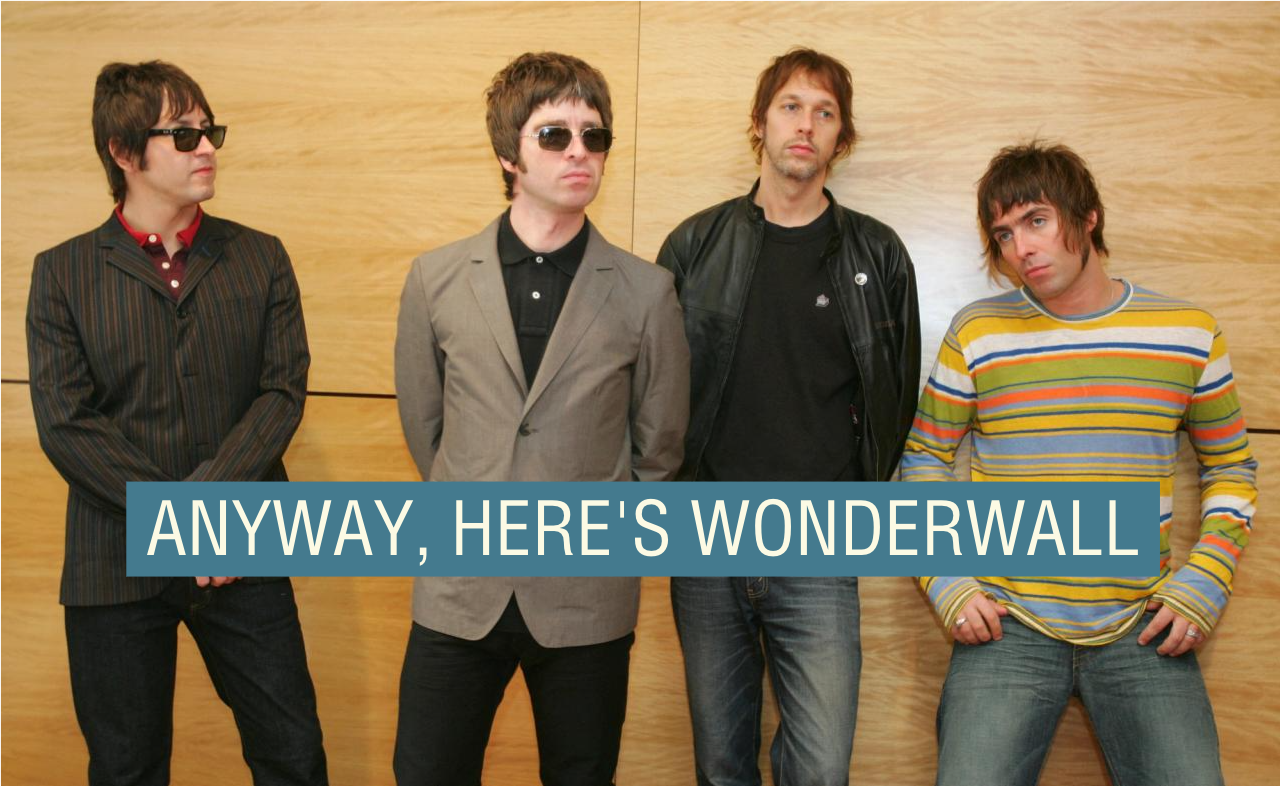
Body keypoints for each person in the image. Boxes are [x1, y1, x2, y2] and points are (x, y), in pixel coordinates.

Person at [904, 140, 1257, 786]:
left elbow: (1233, 467)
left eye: (1036, 220)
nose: (1021, 249)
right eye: (1004, 234)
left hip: (1143, 626)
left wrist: (1205, 581)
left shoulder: (1188, 332)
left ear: (1087, 215)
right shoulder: (977, 333)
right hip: (1008, 628)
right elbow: (923, 458)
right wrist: (948, 582)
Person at [392, 51, 689, 786]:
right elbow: (427, 431)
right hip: (459, 593)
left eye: (595, 136)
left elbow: (660, 450)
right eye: (554, 135)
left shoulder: (647, 292)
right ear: (507, 154)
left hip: (587, 599)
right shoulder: (435, 279)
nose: (579, 152)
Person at [26, 61, 326, 785]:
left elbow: (281, 392)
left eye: (209, 131)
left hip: (243, 547)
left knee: (293, 756)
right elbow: (67, 423)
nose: (207, 148)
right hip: (114, 557)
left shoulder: (260, 257)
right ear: (123, 153)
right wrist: (180, 517)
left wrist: (210, 507)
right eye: (185, 134)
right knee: (127, 767)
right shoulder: (62, 273)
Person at [656, 47, 921, 786]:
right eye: (792, 107)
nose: (807, 125)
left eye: (825, 112)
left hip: (820, 542)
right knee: (720, 764)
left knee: (822, 769)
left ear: (843, 138)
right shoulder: (692, 245)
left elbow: (894, 401)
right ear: (760, 124)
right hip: (705, 538)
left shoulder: (879, 254)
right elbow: (657, 392)